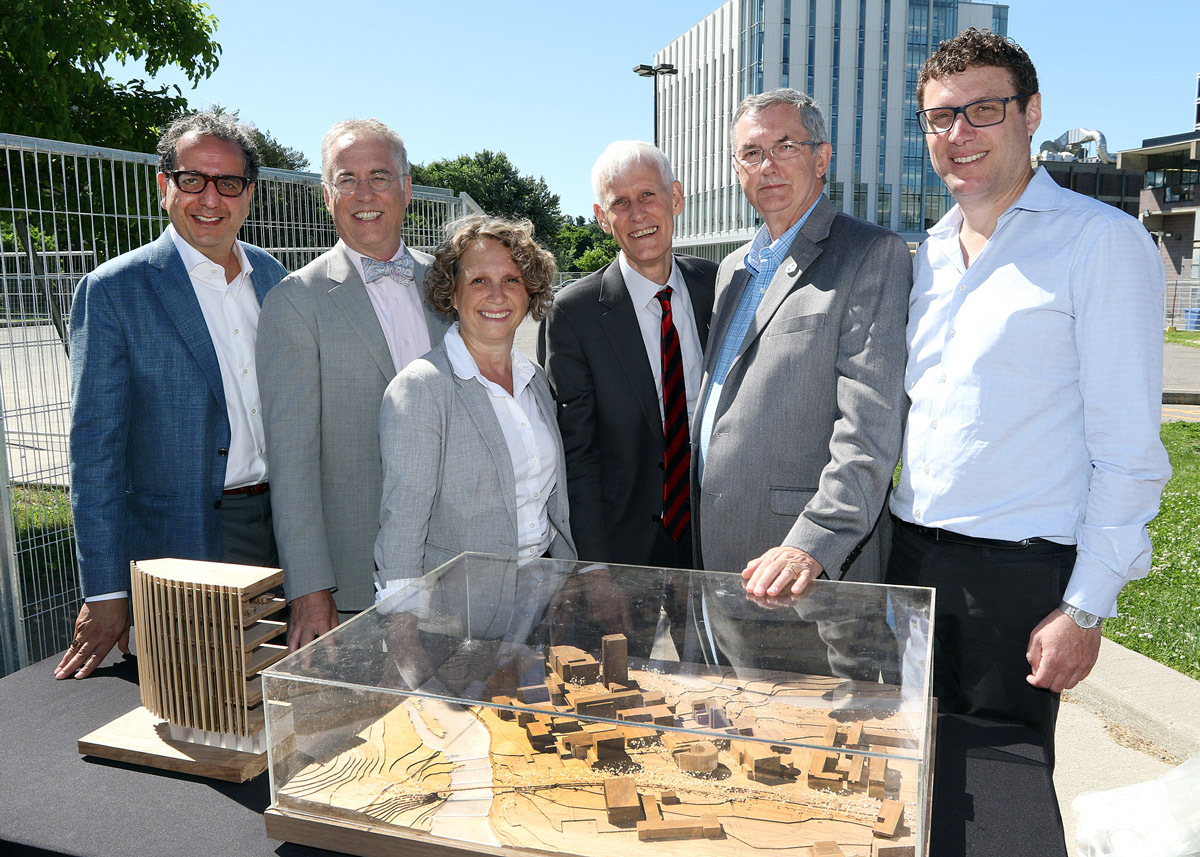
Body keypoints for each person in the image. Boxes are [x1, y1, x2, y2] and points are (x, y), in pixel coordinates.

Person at [887, 29, 1169, 758]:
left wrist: (1084, 607)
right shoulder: (931, 256)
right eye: (940, 117)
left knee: (999, 799)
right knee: (901, 779)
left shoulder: (1099, 244)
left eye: (983, 110)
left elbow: (1130, 452)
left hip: (1015, 582)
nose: (959, 134)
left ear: (1032, 112)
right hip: (910, 564)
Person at [58, 111, 286, 680]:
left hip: (282, 530)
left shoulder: (272, 277)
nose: (210, 197)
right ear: (165, 186)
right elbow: (96, 453)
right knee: (197, 707)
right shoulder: (114, 291)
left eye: (228, 183)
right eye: (192, 179)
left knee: (277, 708)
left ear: (248, 195)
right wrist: (107, 588)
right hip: (181, 544)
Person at [692, 89, 911, 676]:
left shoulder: (871, 254)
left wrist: (812, 543)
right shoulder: (734, 270)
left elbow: (869, 427)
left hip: (806, 571)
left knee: (824, 751)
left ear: (822, 157)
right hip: (726, 559)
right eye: (751, 153)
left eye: (785, 146)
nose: (767, 165)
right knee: (753, 744)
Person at [257, 119, 450, 651]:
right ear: (327, 196)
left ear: (407, 188)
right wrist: (310, 589)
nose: (364, 195)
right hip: (354, 584)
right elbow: (291, 462)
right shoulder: (295, 301)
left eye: (380, 177)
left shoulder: (452, 286)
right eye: (347, 179)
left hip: (457, 572)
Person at [538, 142, 716, 654]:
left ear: (676, 198)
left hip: (707, 547)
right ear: (601, 216)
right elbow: (577, 451)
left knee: (711, 698)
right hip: (619, 557)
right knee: (621, 702)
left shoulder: (716, 286)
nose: (637, 214)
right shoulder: (573, 313)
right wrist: (594, 569)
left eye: (648, 195)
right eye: (620, 203)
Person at [373, 215, 576, 593]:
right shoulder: (421, 389)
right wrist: (402, 628)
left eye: (511, 280)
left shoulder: (534, 379)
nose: (497, 295)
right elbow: (402, 523)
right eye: (478, 280)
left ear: (530, 291)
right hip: (460, 614)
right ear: (451, 292)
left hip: (546, 594)